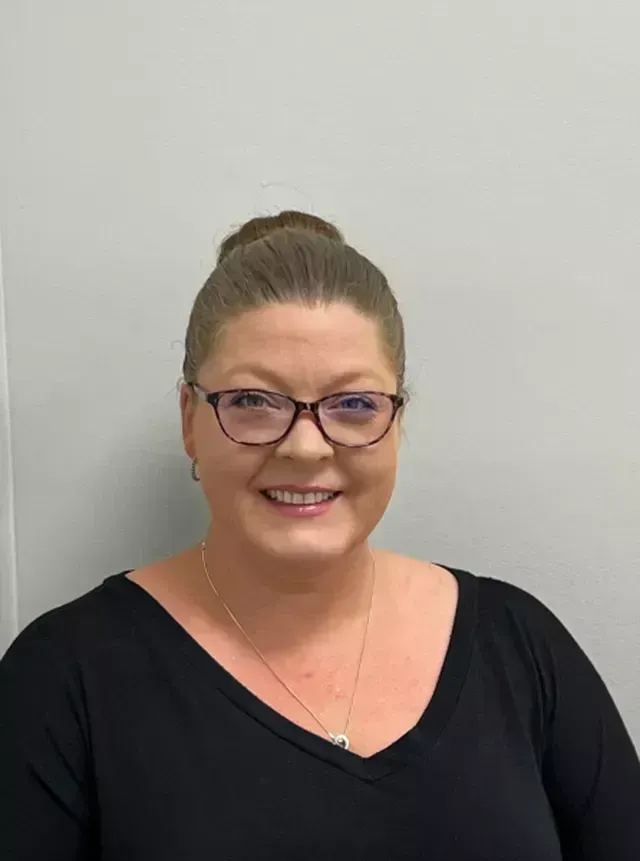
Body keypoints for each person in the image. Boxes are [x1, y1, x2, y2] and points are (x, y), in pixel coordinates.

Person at [1, 210, 639, 860]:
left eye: (354, 403)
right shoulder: (64, 678)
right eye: (253, 400)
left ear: (397, 421)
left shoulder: (522, 649)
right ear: (191, 420)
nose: (306, 448)